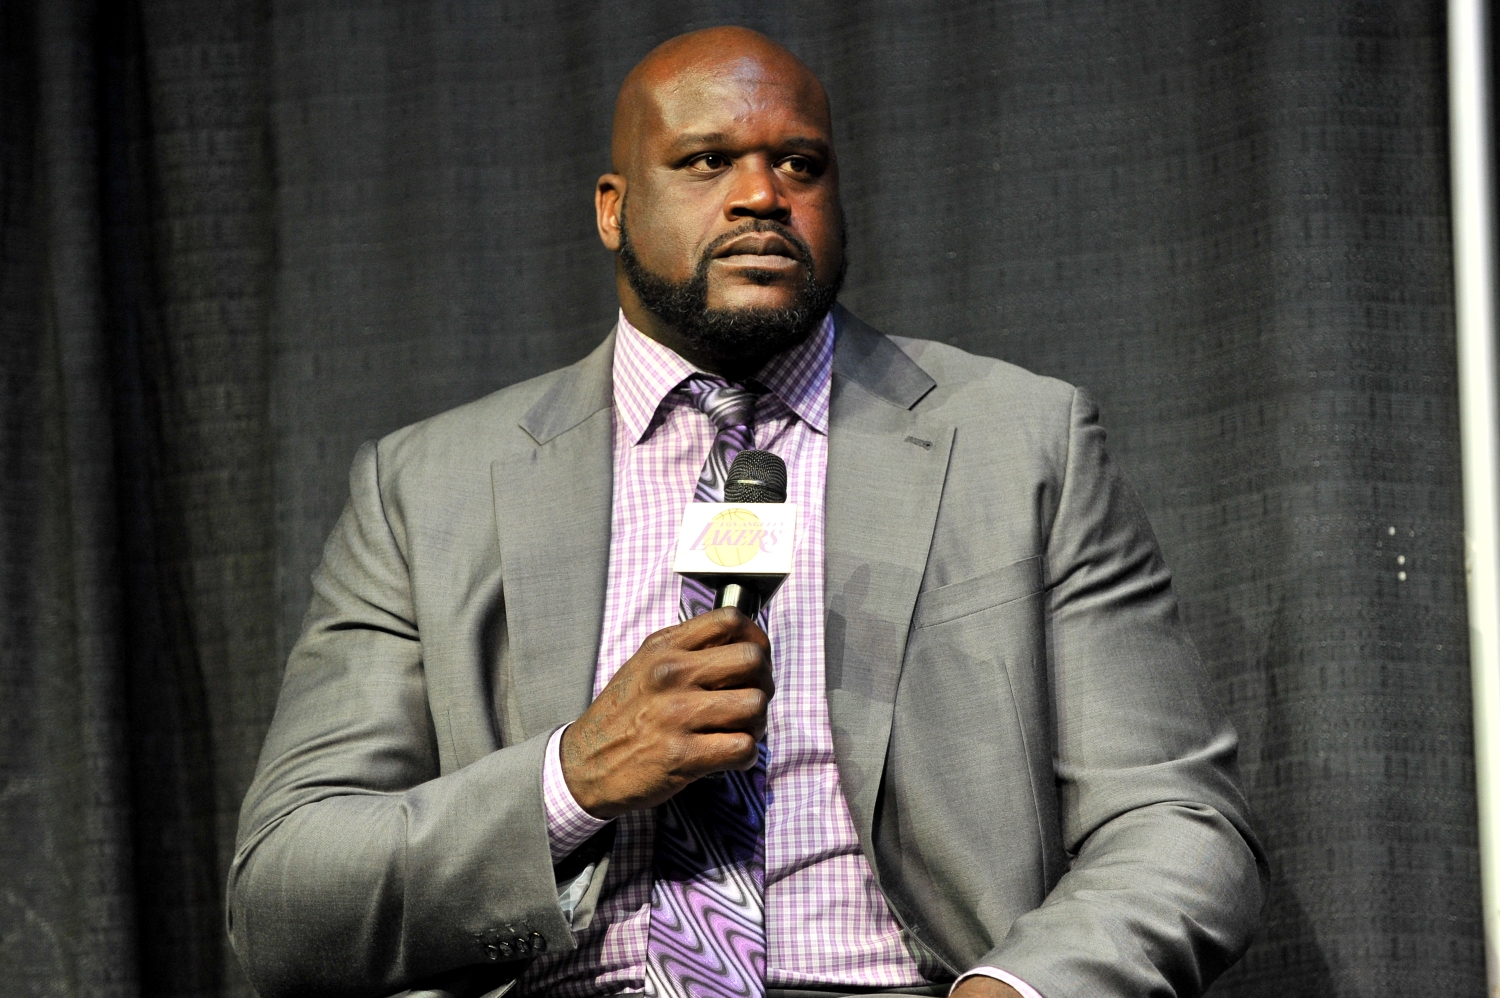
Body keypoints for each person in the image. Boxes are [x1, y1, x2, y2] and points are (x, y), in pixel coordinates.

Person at [229, 26, 1266, 998]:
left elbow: (1179, 823)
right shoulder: (429, 486)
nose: (762, 195)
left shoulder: (1020, 444)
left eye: (800, 164)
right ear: (611, 207)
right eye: (705, 161)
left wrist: (1014, 988)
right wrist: (571, 777)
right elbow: (285, 895)